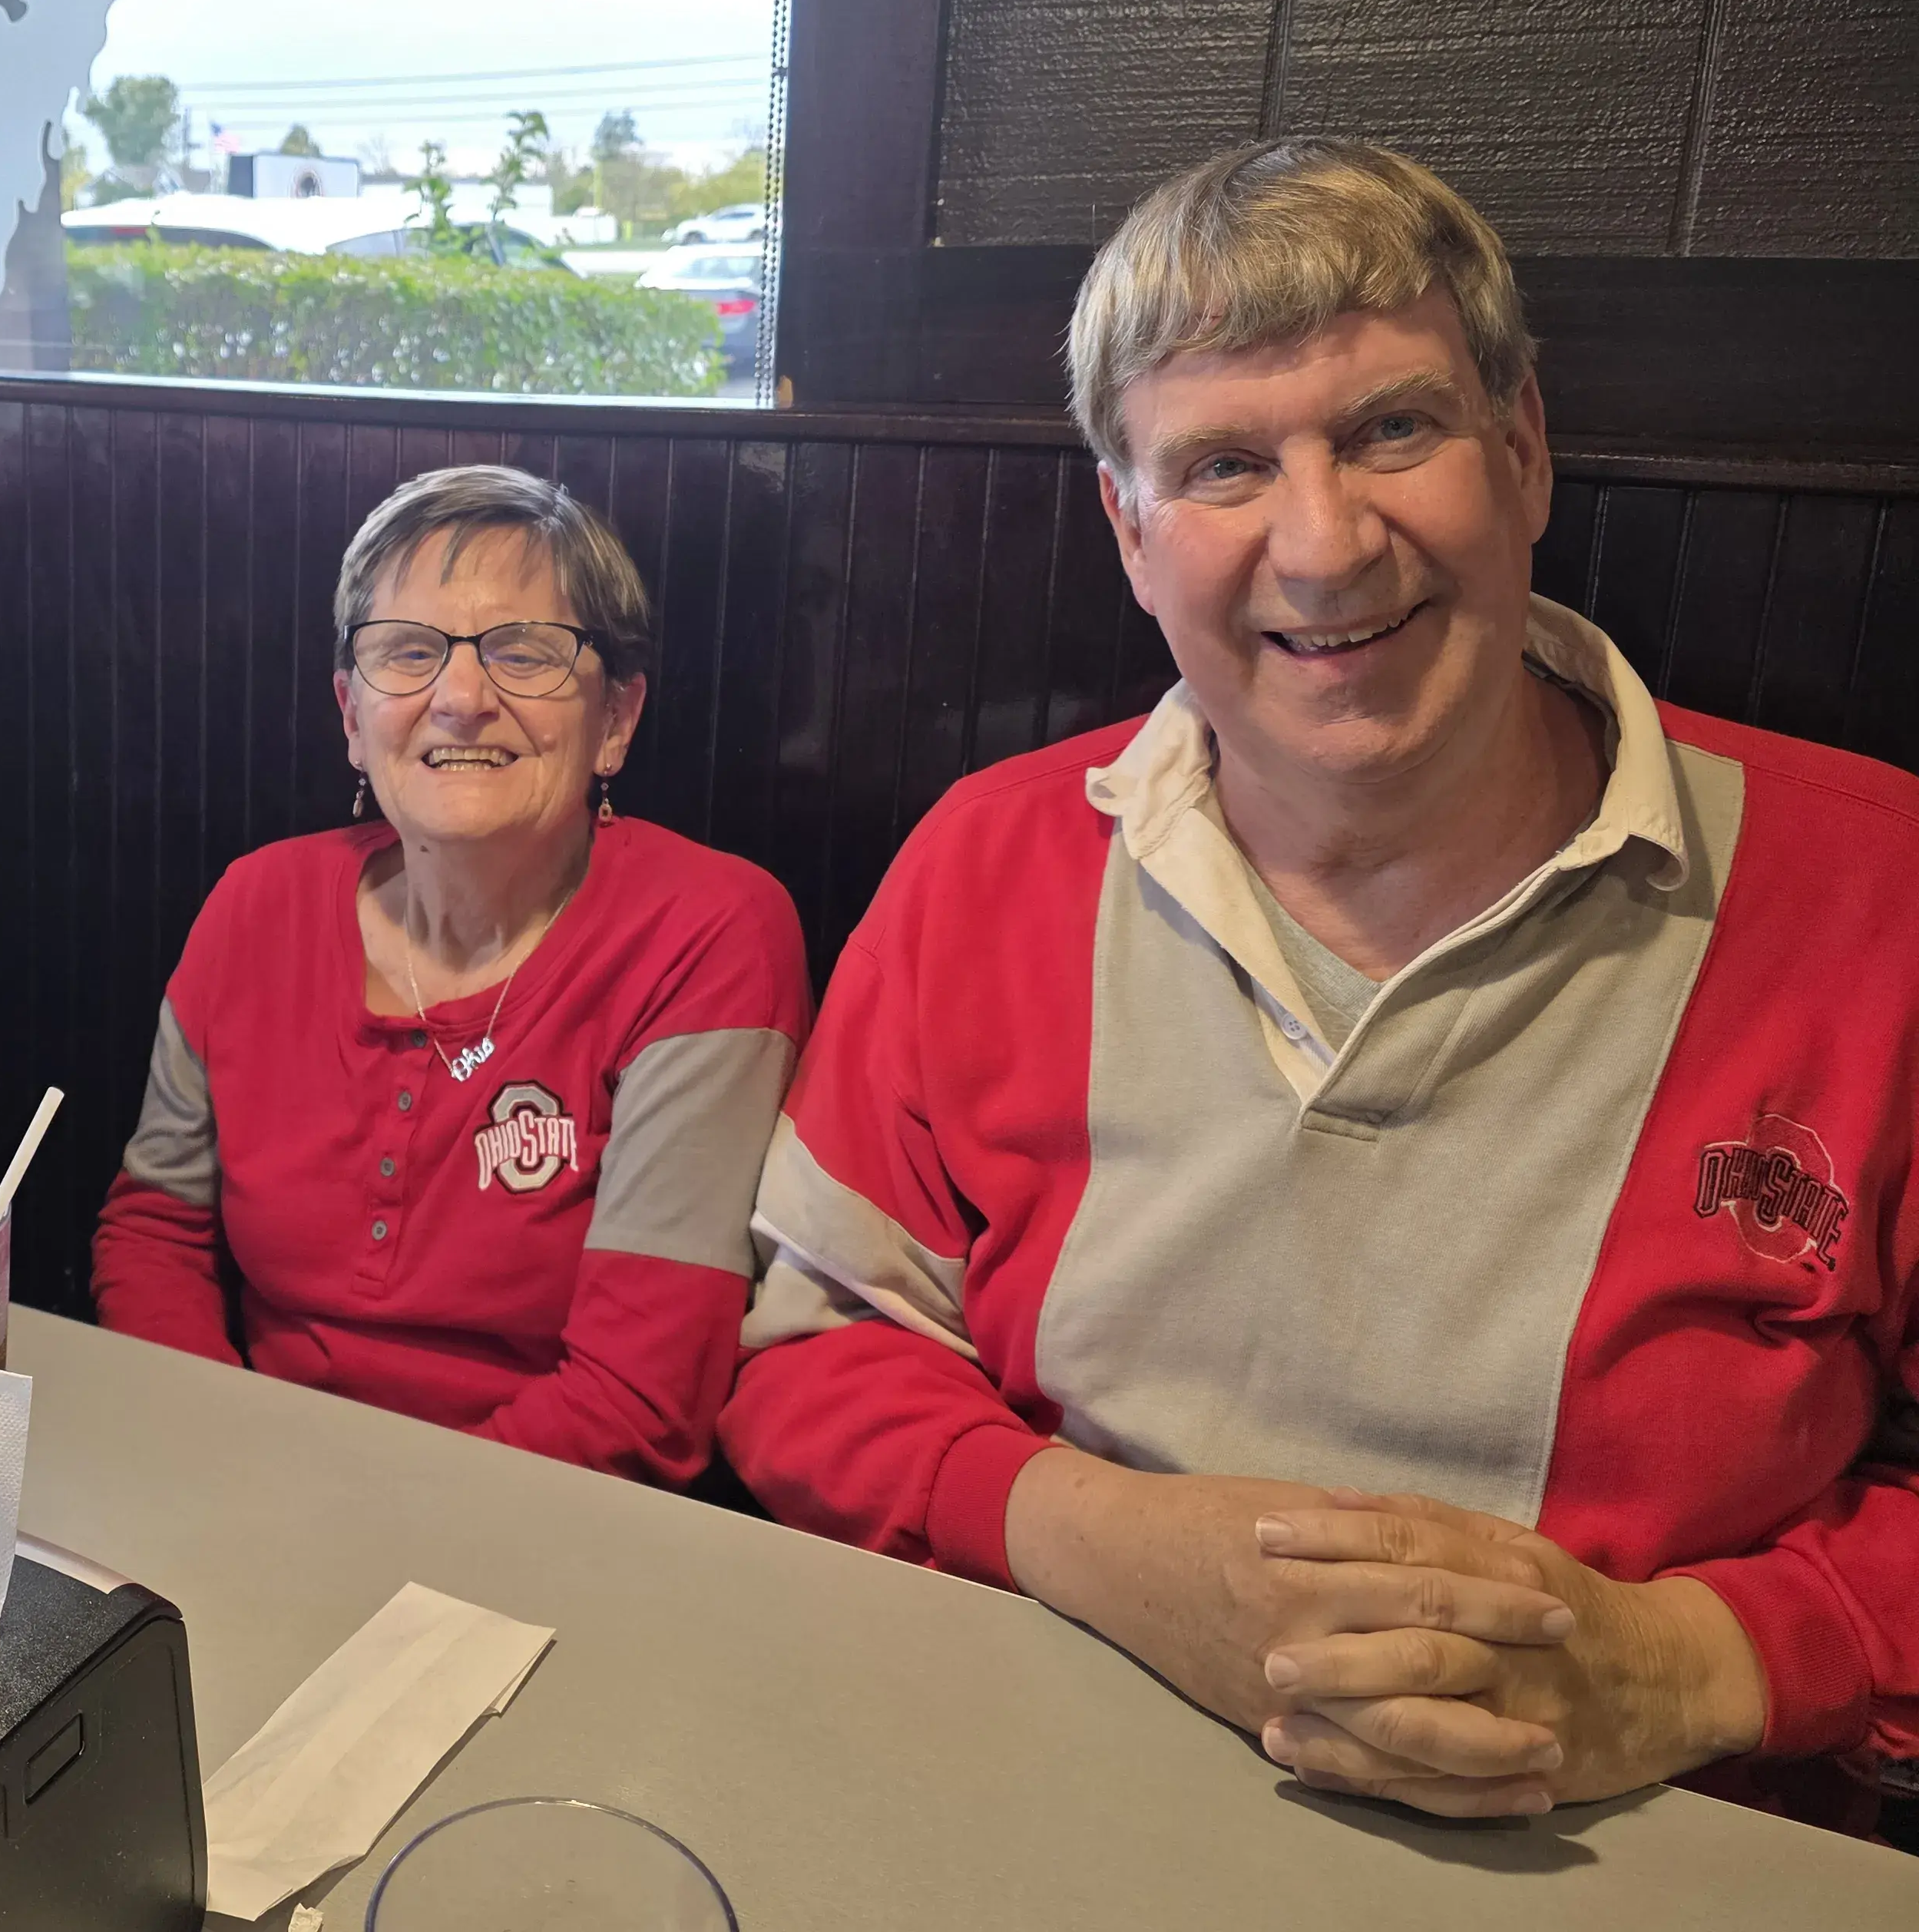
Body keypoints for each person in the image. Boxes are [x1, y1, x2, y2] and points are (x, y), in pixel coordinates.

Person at [722, 138, 1917, 1832]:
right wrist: (1108, 1545)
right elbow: (815, 1347)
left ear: (1518, 450)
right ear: (1126, 531)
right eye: (1219, 465)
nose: (1322, 543)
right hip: (1024, 1773)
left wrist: (1687, 1662)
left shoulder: (1877, 894)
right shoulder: (984, 860)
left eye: (1388, 430)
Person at [92, 466, 808, 1484]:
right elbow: (157, 1231)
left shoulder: (709, 932)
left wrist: (358, 1531)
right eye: (407, 654)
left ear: (615, 719)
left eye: (526, 653)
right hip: (247, 1483)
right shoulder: (256, 905)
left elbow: (639, 1401)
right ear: (351, 712)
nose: (461, 699)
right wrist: (224, 1464)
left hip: (546, 1528)